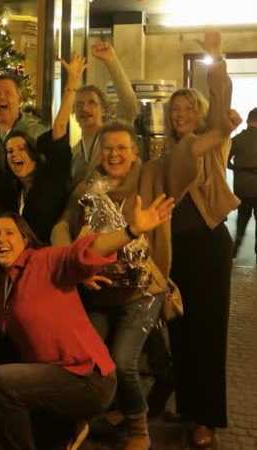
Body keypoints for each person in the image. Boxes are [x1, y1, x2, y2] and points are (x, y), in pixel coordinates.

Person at [51, 116, 238, 450]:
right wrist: (74, 262)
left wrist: (220, 131)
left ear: (135, 152)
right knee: (89, 357)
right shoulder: (88, 187)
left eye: (122, 148)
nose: (114, 154)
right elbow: (63, 225)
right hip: (100, 290)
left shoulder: (152, 176)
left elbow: (185, 155)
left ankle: (139, 427)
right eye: (108, 148)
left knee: (123, 361)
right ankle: (94, 416)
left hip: (143, 290)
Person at [0, 200, 176, 450]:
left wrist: (130, 231)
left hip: (87, 377)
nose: (1, 239)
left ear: (25, 240)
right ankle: (67, 429)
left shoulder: (44, 260)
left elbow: (81, 251)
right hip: (51, 380)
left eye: (9, 233)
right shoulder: (0, 283)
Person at [165, 29, 240, 448]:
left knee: (208, 334)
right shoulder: (166, 152)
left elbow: (222, 98)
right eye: (175, 110)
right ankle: (187, 405)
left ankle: (206, 419)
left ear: (200, 111)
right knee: (180, 332)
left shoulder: (213, 140)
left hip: (209, 246)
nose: (181, 114)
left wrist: (216, 58)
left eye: (187, 107)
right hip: (176, 251)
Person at [0, 53, 85, 243]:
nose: (15, 154)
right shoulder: (9, 190)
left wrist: (72, 82)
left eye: (22, 149)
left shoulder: (50, 179)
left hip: (47, 253)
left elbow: (59, 127)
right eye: (10, 151)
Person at [70, 41, 138, 187]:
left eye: (92, 103)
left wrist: (111, 61)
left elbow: (129, 104)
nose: (85, 109)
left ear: (104, 109)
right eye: (79, 105)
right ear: (74, 112)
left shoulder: (113, 138)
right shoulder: (74, 152)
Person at [229, 107, 257, 261]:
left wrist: (238, 169)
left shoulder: (236, 139)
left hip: (242, 187)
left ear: (247, 120)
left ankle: (236, 246)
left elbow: (225, 161)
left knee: (242, 217)